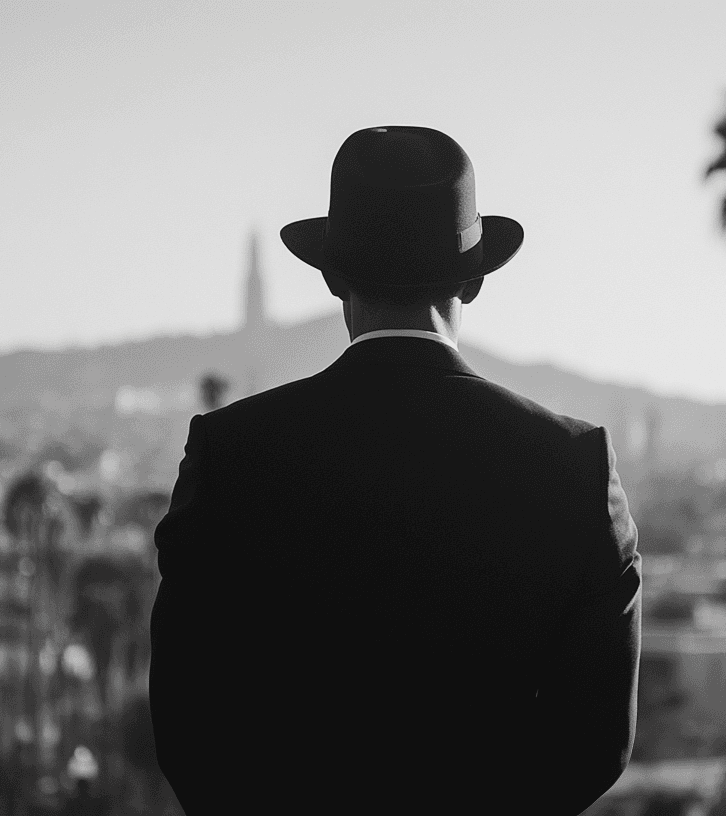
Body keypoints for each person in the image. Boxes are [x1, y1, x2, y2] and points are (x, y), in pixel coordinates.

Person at [149, 126, 641, 815]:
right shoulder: (573, 464)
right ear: (473, 280)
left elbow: (188, 727)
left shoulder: (232, 452)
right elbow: (594, 743)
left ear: (331, 276)